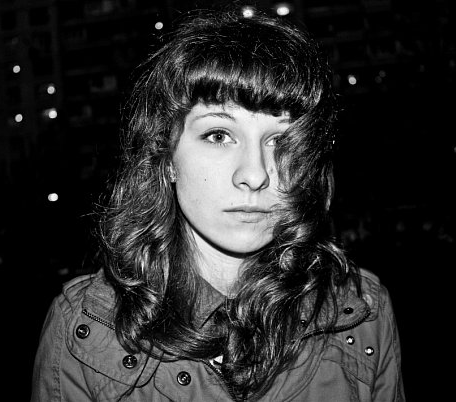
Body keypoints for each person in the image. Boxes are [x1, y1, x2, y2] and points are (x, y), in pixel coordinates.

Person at [31, 7, 405, 402]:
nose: (255, 174)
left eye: (281, 141)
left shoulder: (364, 314)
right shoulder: (83, 329)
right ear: (166, 156)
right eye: (218, 135)